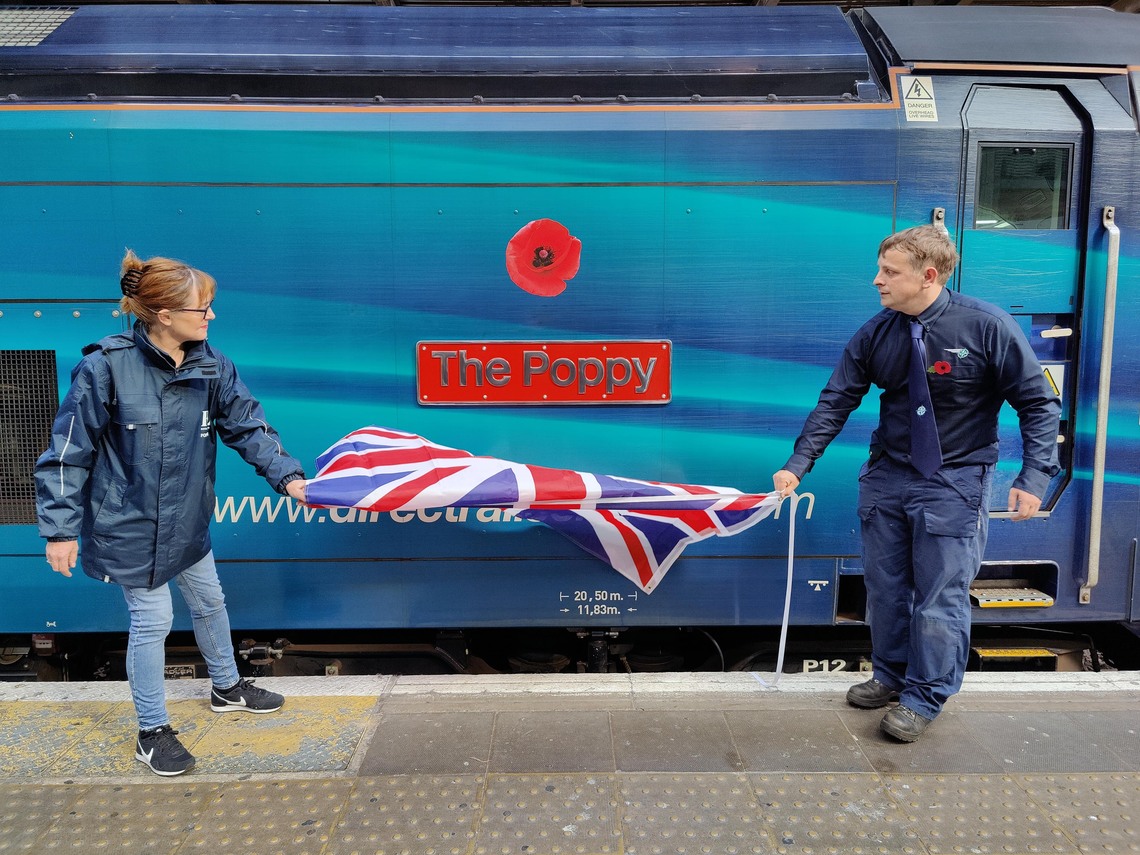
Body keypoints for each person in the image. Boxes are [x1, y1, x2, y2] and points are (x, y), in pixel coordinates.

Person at [771, 225, 1060, 742]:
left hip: (955, 481)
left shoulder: (987, 327)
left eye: (889, 272)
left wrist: (1033, 476)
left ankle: (924, 697)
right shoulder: (877, 333)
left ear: (928, 276)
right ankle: (890, 675)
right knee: (885, 590)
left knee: (938, 597)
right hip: (888, 477)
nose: (876, 280)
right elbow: (836, 399)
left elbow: (1039, 403)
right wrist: (799, 462)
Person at [35, 250, 308, 776]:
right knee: (153, 620)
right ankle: (151, 731)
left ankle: (227, 688)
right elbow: (67, 452)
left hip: (187, 519)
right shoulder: (104, 368)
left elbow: (248, 427)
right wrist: (60, 531)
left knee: (210, 601)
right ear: (162, 315)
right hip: (128, 526)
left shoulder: (211, 364)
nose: (210, 318)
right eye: (201, 309)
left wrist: (288, 477)